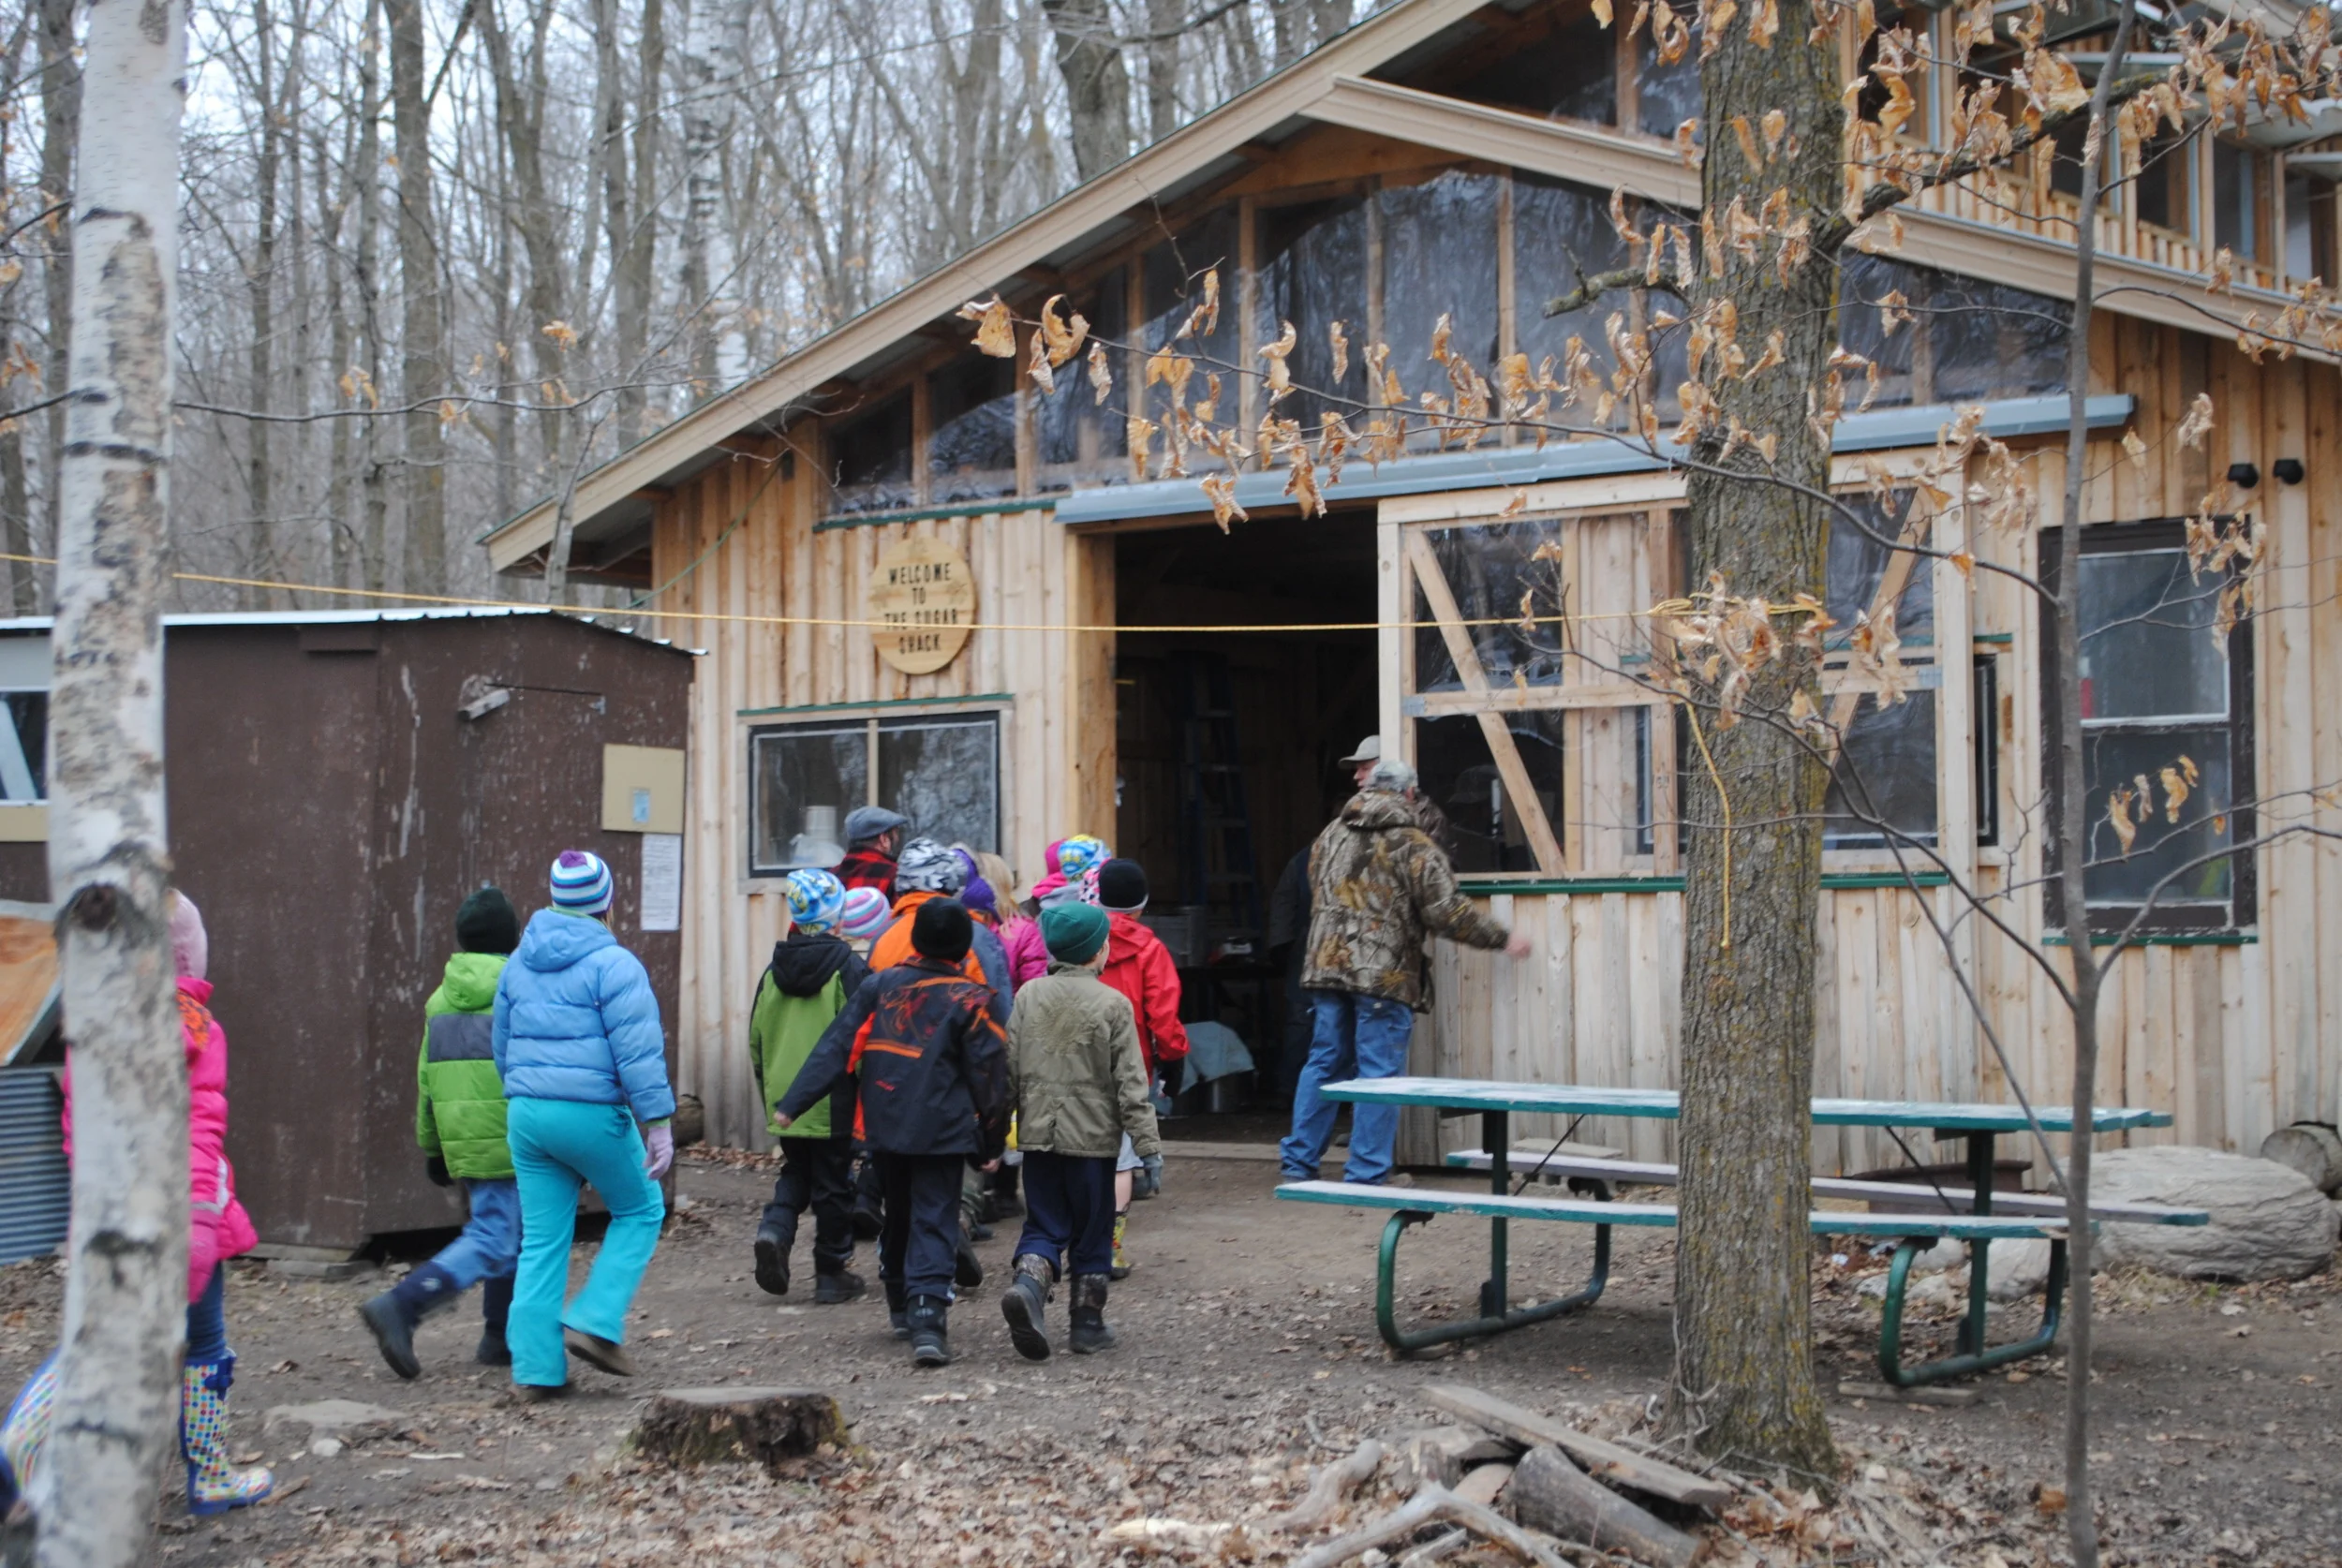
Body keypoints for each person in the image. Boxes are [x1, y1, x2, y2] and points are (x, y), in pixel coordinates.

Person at [3, 894, 274, 1513]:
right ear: (185, 954)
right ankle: (207, 1476)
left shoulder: (92, 1030)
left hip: (111, 1214)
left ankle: (24, 1448)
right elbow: (200, 1131)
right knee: (202, 1344)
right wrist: (200, 1220)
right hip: (187, 1217)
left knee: (100, 1339)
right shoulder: (199, 1028)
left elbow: (83, 1134)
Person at [775, 900, 1011, 1368]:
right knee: (934, 1217)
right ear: (965, 948)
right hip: (942, 1132)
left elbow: (837, 1044)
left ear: (915, 939)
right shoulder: (971, 1000)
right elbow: (990, 1077)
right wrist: (992, 1141)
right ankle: (928, 1315)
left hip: (884, 1124)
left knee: (898, 1211)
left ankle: (901, 1303)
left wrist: (793, 1102)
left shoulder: (879, 986)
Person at [1281, 759, 1531, 1187]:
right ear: (1409, 794)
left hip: (1325, 967)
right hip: (1382, 976)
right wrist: (1501, 938)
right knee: (1377, 1073)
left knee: (1323, 1062)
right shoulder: (1411, 843)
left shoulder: (1330, 835)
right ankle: (1366, 1172)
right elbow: (1448, 912)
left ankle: (1299, 1164)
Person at [494, 850, 676, 1398]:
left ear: (553, 898)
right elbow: (639, 1051)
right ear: (607, 903)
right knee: (642, 1208)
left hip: (526, 1114)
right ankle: (596, 1320)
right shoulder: (615, 964)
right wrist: (659, 1122)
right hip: (590, 1113)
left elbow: (501, 1047)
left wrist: (530, 1092)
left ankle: (534, 1369)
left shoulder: (518, 962)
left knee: (543, 1241)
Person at [359, 887, 526, 1379]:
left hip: (463, 1136)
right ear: (512, 939)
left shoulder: (440, 1001)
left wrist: (432, 1146)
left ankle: (500, 1336)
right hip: (510, 1135)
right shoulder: (518, 992)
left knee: (510, 1232)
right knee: (497, 1234)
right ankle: (403, 1305)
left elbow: (426, 1080)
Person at [999, 903, 1160, 1360]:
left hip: (1039, 1137)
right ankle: (1087, 1325)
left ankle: (1028, 1287)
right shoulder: (1113, 1004)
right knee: (1092, 1230)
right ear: (1098, 952)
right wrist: (1148, 1148)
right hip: (1093, 1144)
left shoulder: (1029, 995)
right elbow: (1132, 1083)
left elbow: (1008, 1067)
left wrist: (996, 1127)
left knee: (1044, 1223)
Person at [749, 869, 871, 1303]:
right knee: (834, 1182)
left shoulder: (772, 972)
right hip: (831, 1096)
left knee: (796, 1170)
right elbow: (861, 1035)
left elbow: (757, 1037)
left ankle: (774, 1231)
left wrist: (770, 1087)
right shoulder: (850, 970)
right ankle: (830, 1270)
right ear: (839, 921)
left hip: (786, 1096)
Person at [1094, 859, 1187, 1277]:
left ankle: (1068, 1244)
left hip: (1074, 1061)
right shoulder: (1150, 950)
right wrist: (1173, 1059)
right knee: (1120, 1160)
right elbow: (1163, 1016)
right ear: (1141, 905)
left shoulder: (1080, 939)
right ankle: (1109, 1249)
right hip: (1130, 1067)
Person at [832, 806, 909, 898]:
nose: (897, 839)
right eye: (895, 833)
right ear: (883, 839)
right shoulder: (895, 875)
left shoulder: (831, 877)